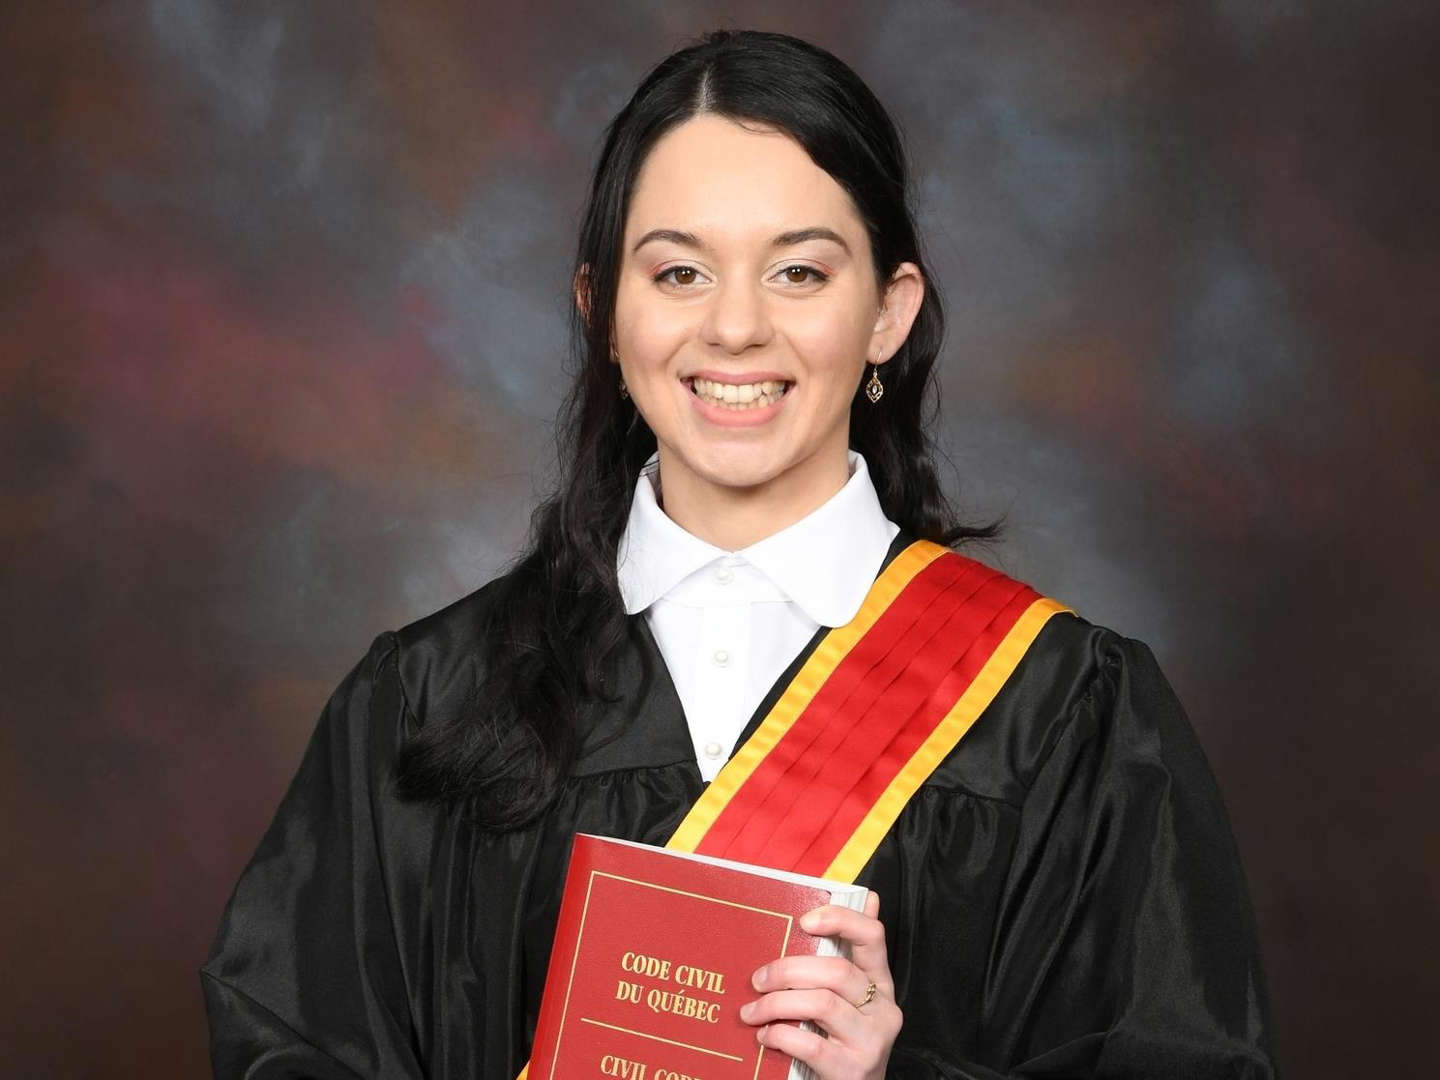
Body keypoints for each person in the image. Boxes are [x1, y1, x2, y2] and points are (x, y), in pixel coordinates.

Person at [202, 29, 1276, 1080]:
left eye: (799, 272)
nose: (734, 328)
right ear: (602, 311)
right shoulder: (429, 699)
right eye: (679, 274)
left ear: (888, 312)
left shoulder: (1060, 716)